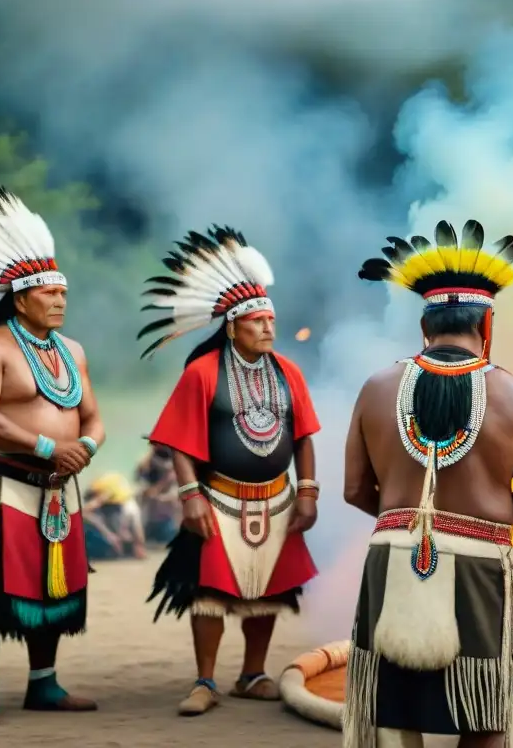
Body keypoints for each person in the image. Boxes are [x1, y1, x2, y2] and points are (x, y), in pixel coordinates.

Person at [345, 219, 513, 748]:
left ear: (423, 328)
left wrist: (409, 518)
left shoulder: (375, 388)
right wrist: (474, 516)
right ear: (487, 328)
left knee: (394, 709)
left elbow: (353, 491)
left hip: (392, 559)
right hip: (482, 567)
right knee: (486, 713)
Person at [140, 227, 320, 716]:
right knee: (210, 591)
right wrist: (190, 496)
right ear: (233, 326)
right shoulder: (202, 373)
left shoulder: (288, 372)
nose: (269, 328)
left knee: (269, 592)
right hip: (218, 499)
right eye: (258, 321)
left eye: (272, 320)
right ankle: (204, 680)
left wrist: (308, 492)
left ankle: (252, 674)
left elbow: (303, 436)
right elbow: (178, 441)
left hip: (278, 498)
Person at [0, 184, 104, 725]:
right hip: (2, 482)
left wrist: (82, 446)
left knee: (52, 587)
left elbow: (95, 417)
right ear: (20, 297)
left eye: (64, 292)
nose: (60, 300)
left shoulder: (74, 350)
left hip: (60, 488)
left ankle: (44, 683)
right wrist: (44, 446)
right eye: (49, 292)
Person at [82, 472, 146, 560]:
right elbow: (85, 512)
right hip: (109, 529)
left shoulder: (128, 507)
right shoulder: (104, 499)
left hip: (116, 525)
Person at [135, 441, 179, 544]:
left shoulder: (173, 461)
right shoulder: (149, 461)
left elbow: (172, 475)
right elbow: (141, 472)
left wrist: (158, 489)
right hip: (152, 513)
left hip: (167, 516)